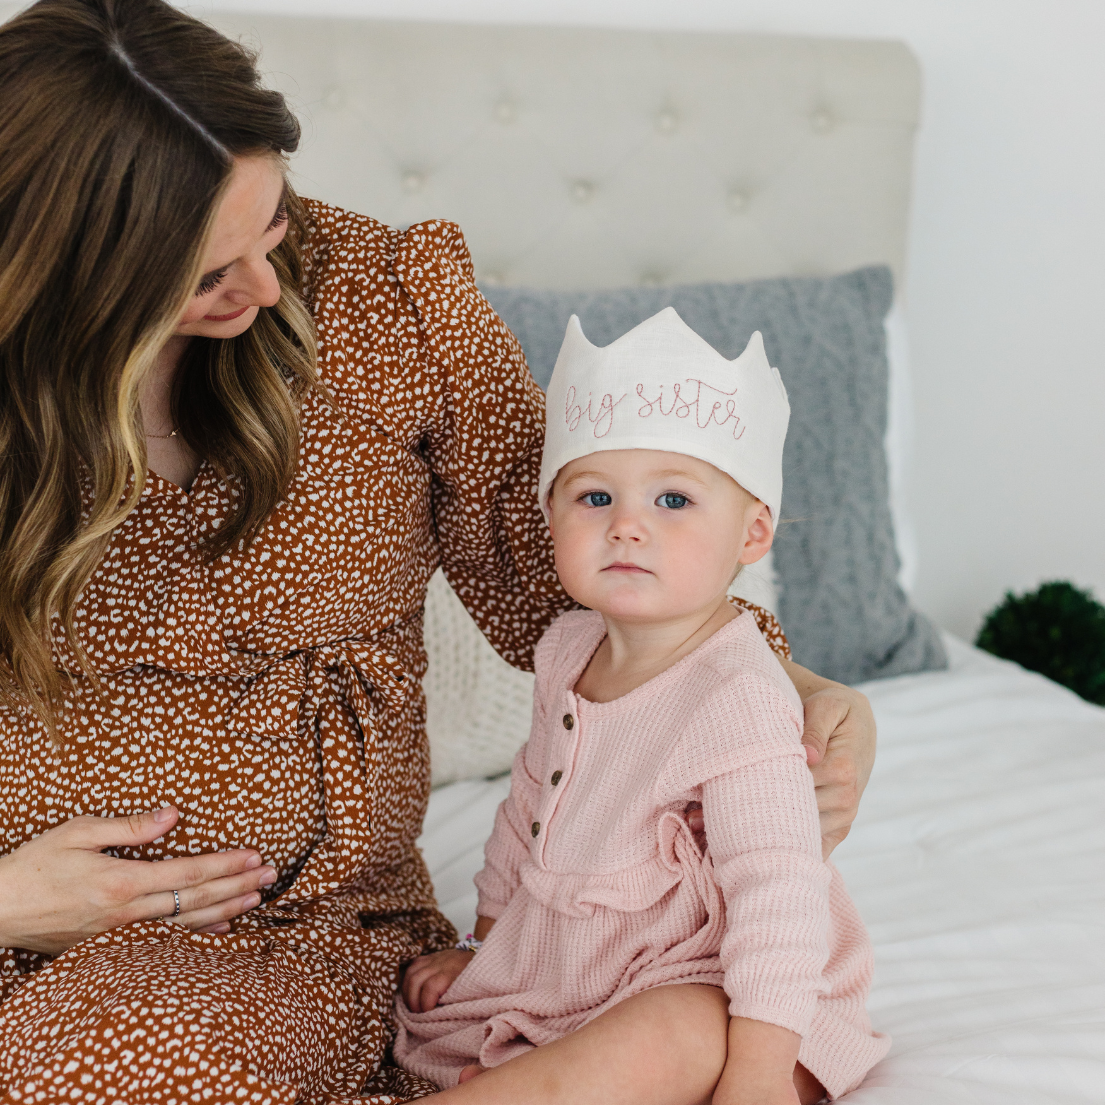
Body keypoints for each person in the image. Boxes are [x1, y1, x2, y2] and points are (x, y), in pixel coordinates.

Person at [0, 1, 878, 1100]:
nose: (269, 290)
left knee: (111, 1068)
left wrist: (774, 680)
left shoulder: (389, 308)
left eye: (272, 227)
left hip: (277, 935)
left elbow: (553, 561)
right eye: (204, 275)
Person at [393, 311, 889, 1103]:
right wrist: (481, 943)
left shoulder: (737, 693)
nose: (627, 524)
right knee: (506, 1033)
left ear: (751, 532)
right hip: (579, 959)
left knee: (673, 1034)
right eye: (594, 496)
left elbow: (777, 892)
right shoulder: (565, 647)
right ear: (549, 516)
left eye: (672, 499)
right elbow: (529, 807)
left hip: (717, 977)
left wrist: (758, 1071)